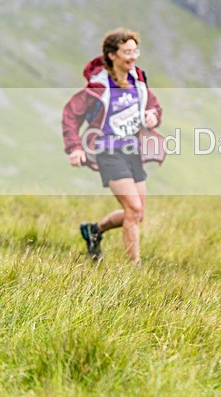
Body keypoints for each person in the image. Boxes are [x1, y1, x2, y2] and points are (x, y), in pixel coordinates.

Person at [62, 27, 164, 266]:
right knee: (133, 207)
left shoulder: (137, 81)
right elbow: (70, 115)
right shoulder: (98, 87)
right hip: (108, 152)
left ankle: (94, 230)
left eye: (135, 51)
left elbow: (154, 106)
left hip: (132, 151)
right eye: (127, 52)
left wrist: (152, 116)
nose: (133, 56)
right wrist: (75, 147)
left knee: (137, 214)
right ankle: (134, 268)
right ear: (112, 55)